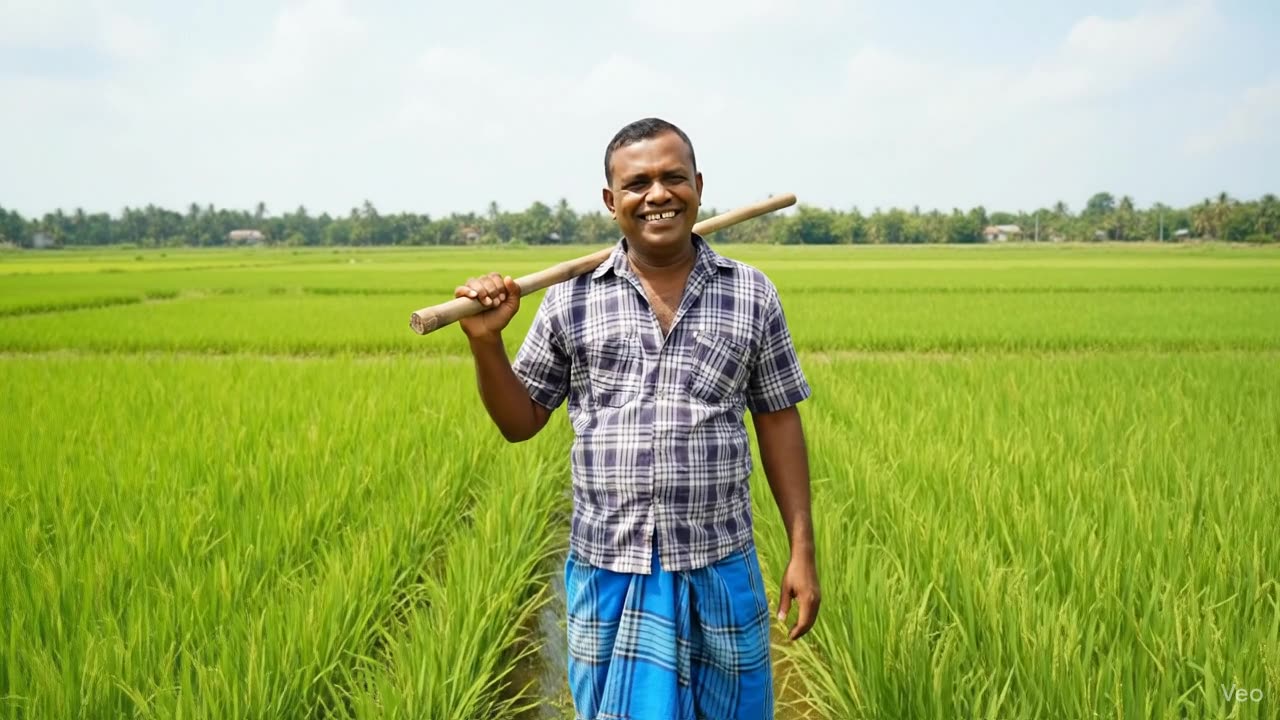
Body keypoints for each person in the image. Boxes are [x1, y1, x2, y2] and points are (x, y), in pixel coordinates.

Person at [455, 117, 819, 720]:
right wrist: (485, 344)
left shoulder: (751, 294)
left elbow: (778, 419)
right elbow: (520, 422)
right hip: (609, 571)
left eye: (673, 178)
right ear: (611, 200)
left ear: (698, 187)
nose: (657, 195)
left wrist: (802, 552)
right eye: (637, 183)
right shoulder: (570, 298)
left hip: (721, 565)